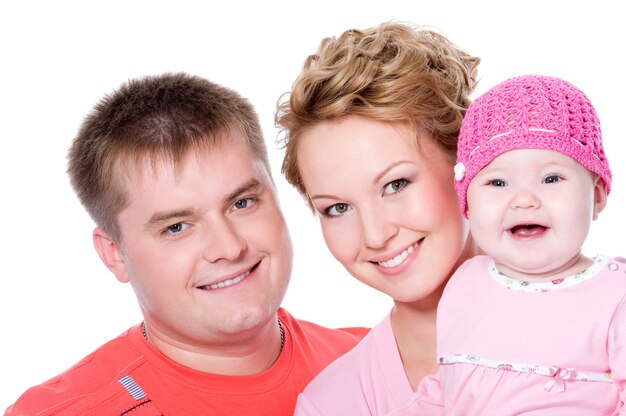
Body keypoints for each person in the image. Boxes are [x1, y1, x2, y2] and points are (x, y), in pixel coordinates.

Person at [4, 72, 368, 415]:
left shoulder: (385, 364)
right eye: (177, 227)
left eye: (241, 203)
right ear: (114, 254)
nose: (228, 247)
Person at [275, 21, 480, 414]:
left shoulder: (606, 315)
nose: (375, 235)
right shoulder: (332, 405)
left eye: (396, 184)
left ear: (463, 161)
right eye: (338, 208)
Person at [390, 75, 625, 414]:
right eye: (497, 182)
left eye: (551, 178)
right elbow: (445, 389)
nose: (524, 199)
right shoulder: (465, 284)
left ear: (598, 195)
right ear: (466, 202)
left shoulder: (615, 295)